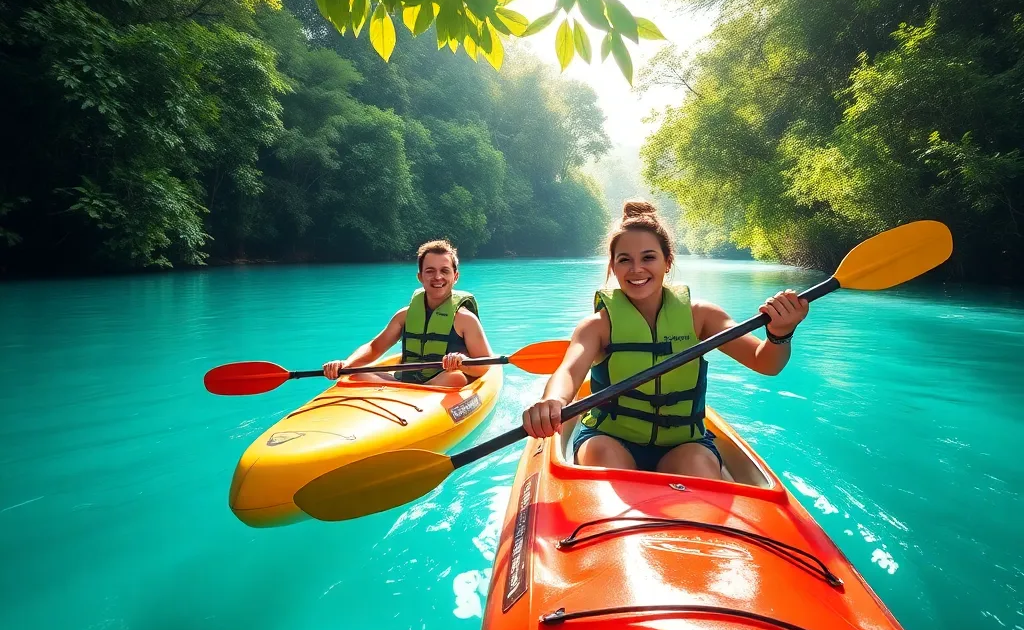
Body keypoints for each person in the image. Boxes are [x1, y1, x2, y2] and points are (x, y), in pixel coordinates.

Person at [521, 201, 810, 478]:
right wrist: (553, 400)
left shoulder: (702, 316)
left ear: (667, 262)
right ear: (612, 267)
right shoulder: (597, 326)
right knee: (604, 460)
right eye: (625, 260)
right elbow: (569, 371)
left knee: (698, 468)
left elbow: (765, 362)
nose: (636, 269)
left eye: (648, 257)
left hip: (682, 444)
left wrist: (779, 334)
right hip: (610, 437)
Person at [323, 239, 493, 388]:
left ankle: (412, 391)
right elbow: (374, 347)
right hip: (406, 383)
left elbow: (485, 364)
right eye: (430, 271)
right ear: (420, 276)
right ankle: (400, 389)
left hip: (443, 382)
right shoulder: (404, 316)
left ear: (455, 276)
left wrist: (462, 362)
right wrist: (346, 364)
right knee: (356, 374)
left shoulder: (465, 320)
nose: (437, 277)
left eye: (444, 271)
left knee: (454, 377)